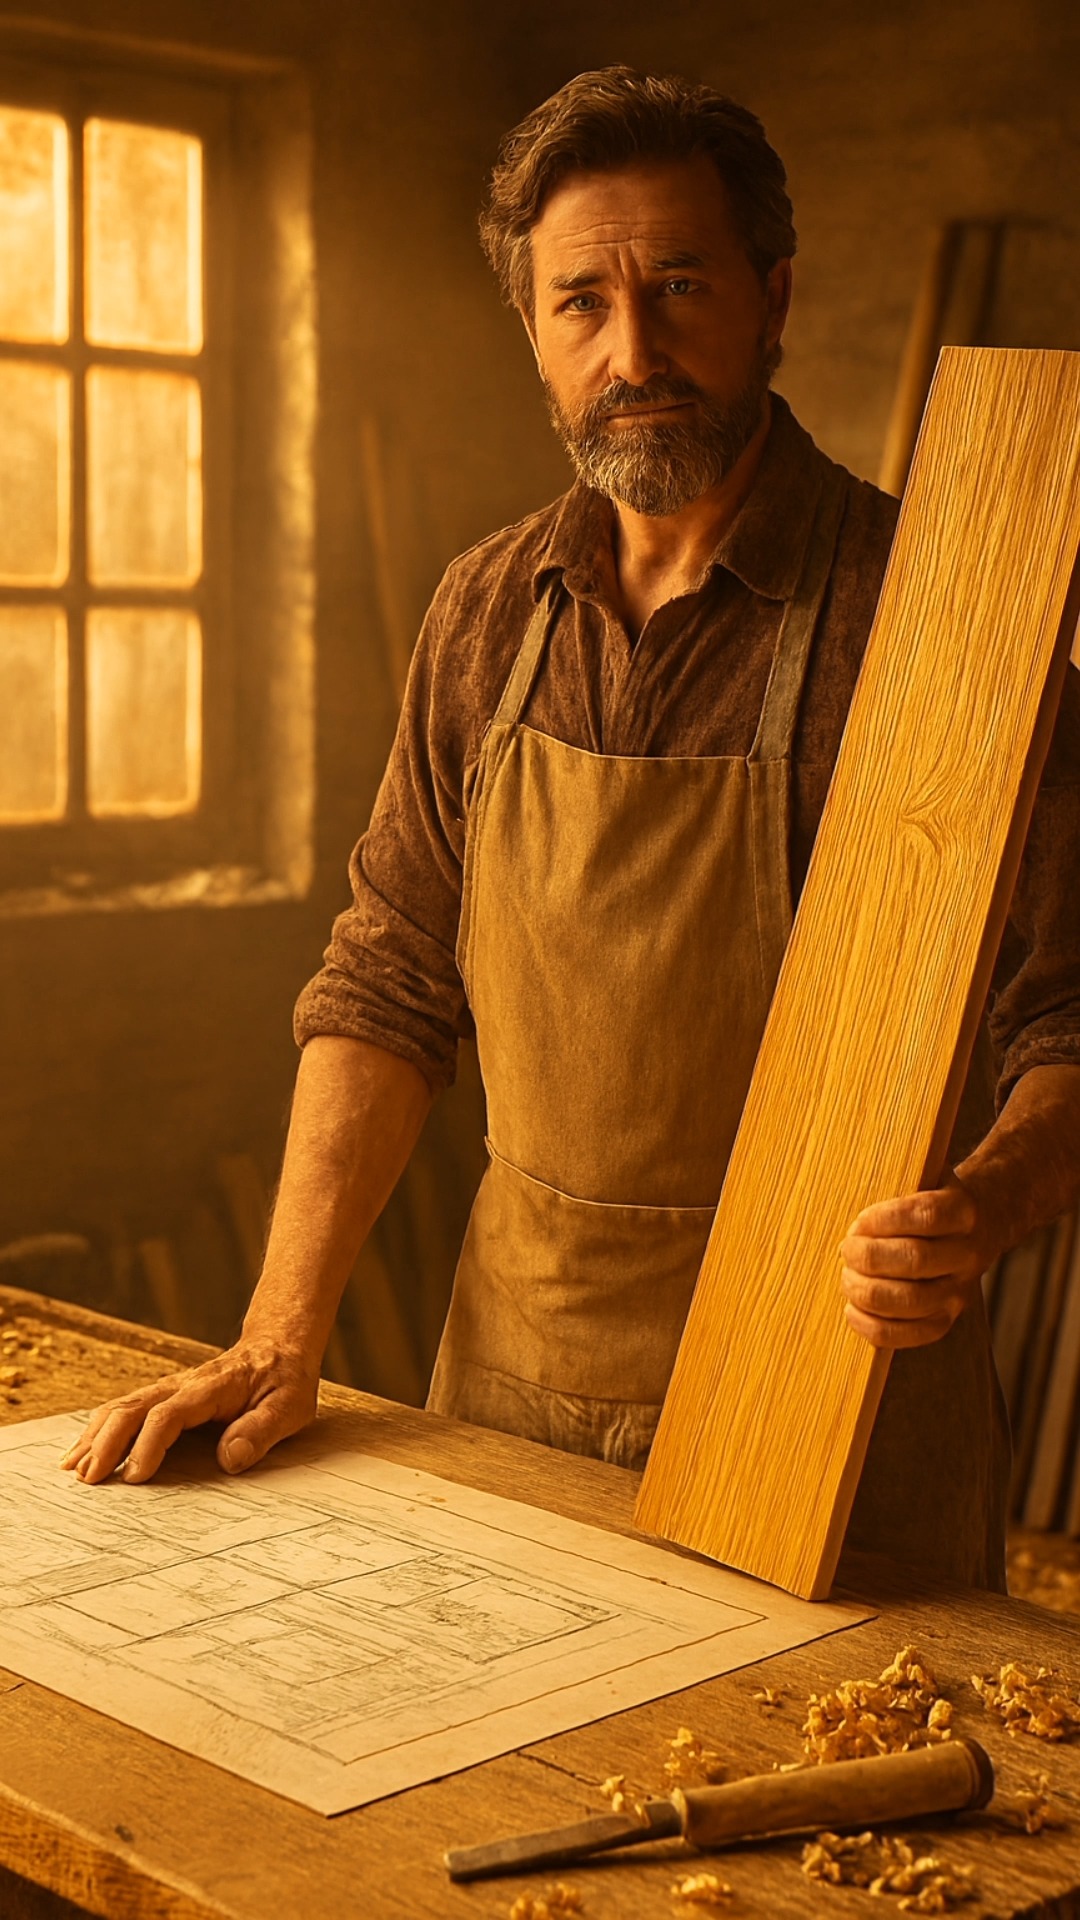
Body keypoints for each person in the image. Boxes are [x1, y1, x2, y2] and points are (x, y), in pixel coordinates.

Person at [64, 68, 1080, 1589]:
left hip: (830, 1415)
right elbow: (390, 979)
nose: (635, 351)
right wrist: (280, 1332)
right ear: (532, 332)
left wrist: (978, 1211)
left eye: (679, 286)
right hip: (511, 1397)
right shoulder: (487, 609)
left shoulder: (938, 622)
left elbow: (1067, 1016)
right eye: (580, 305)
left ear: (774, 295)